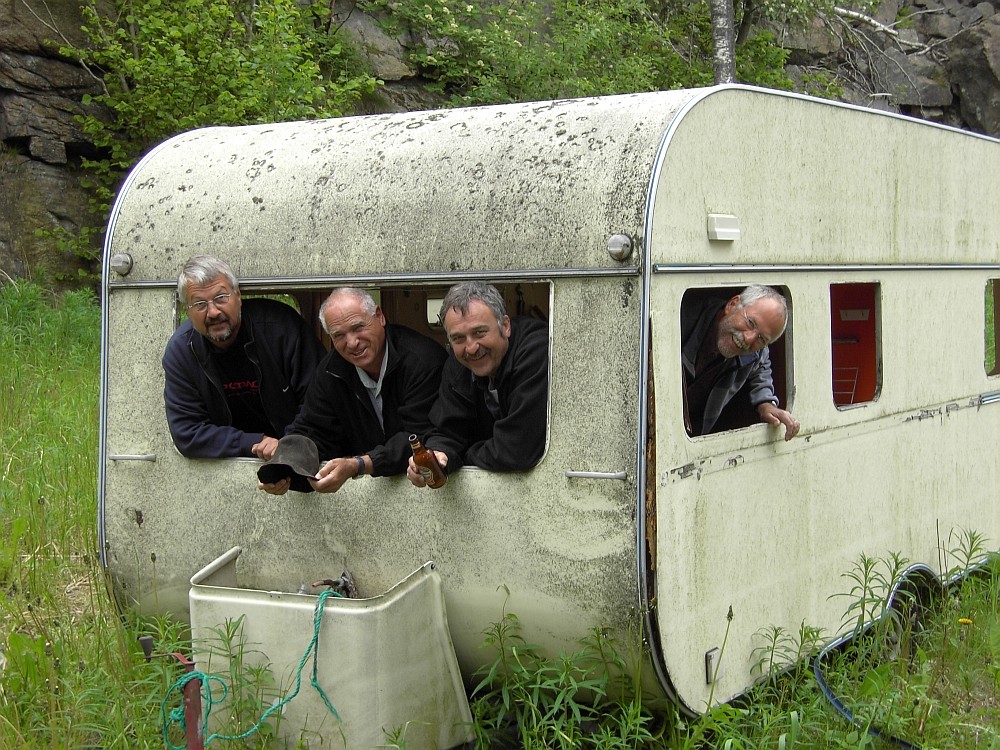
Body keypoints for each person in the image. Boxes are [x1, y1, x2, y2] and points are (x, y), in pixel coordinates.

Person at [260, 287, 447, 495]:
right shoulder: (329, 371)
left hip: (429, 491)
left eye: (358, 327)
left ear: (379, 316)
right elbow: (311, 429)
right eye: (339, 335)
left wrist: (358, 464)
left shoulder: (423, 360)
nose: (352, 342)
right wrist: (284, 467)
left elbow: (419, 436)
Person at [162, 255, 323, 459]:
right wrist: (256, 443)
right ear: (188, 311)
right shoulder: (181, 352)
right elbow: (188, 433)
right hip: (228, 473)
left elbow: (319, 403)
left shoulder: (282, 328)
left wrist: (287, 449)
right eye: (200, 304)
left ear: (238, 295)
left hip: (299, 457)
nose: (212, 312)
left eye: (221, 298)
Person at [407, 281, 549, 487]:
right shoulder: (459, 362)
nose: (471, 348)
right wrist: (438, 455)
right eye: (458, 338)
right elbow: (449, 429)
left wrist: (465, 454)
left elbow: (517, 450)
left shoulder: (536, 351)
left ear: (505, 326)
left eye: (479, 333)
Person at [681, 284, 800, 440]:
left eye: (761, 339)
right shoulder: (681, 319)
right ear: (732, 304)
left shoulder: (755, 352)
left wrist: (766, 404)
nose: (748, 338)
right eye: (750, 323)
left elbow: (762, 364)